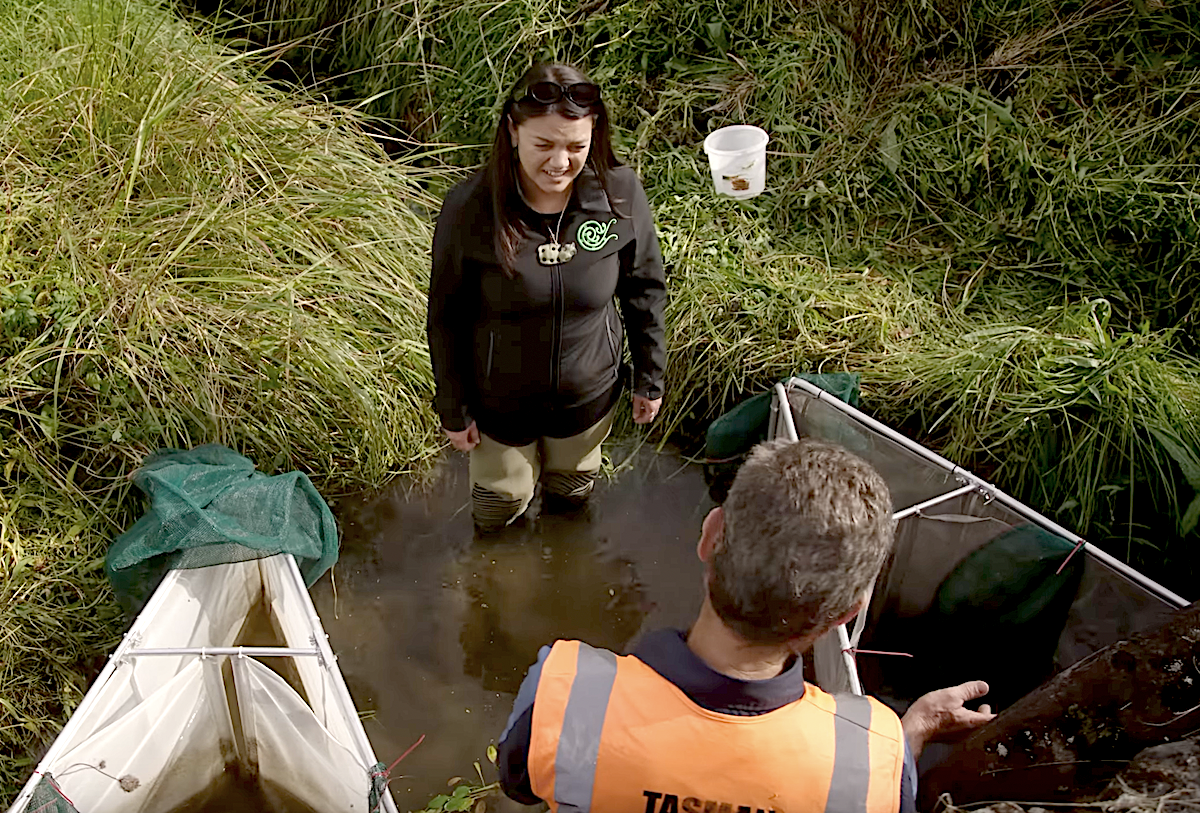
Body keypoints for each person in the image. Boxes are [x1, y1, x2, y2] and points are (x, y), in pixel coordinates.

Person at [496, 438, 996, 813]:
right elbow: (878, 789)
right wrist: (913, 734)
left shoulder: (565, 693)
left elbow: (518, 784)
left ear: (710, 536)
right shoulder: (871, 751)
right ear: (849, 611)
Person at [426, 62, 667, 530]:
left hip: (588, 394)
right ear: (513, 131)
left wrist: (650, 375)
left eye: (576, 146)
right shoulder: (469, 208)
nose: (559, 163)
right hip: (500, 404)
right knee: (500, 507)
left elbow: (644, 286)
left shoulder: (619, 193)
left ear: (594, 132)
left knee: (573, 492)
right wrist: (452, 407)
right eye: (544, 145)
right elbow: (446, 315)